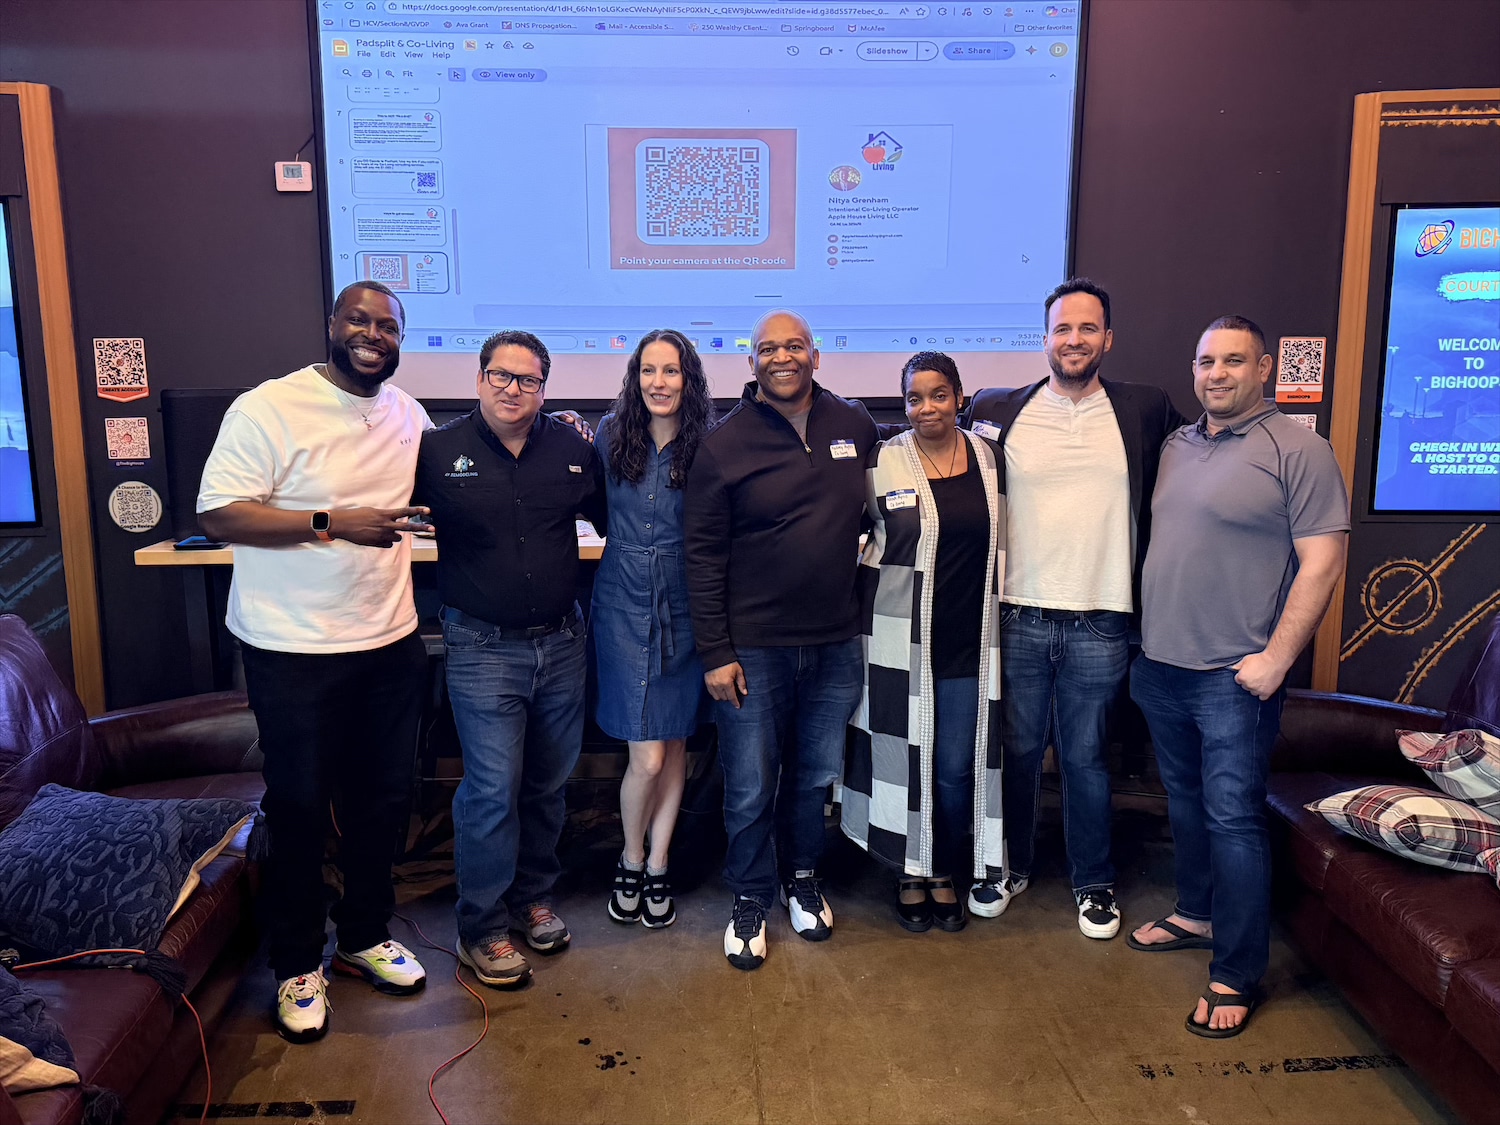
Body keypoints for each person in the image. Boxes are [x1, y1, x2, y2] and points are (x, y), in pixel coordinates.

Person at [197, 280, 431, 1043]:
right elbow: (218, 512)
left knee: (382, 801)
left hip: (389, 642)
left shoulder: (408, 413)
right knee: (298, 806)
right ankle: (298, 962)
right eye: (359, 320)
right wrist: (331, 521)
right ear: (332, 324)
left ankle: (363, 934)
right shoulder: (269, 407)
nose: (373, 334)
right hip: (291, 646)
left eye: (388, 326)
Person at [1128, 315, 1348, 1037]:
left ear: (1264, 369)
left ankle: (1238, 971)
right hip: (1161, 665)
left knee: (1234, 820)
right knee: (1185, 805)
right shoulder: (1177, 445)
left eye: (1232, 361)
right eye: (1205, 362)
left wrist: (1276, 659)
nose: (1216, 374)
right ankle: (1196, 911)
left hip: (1234, 677)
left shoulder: (1300, 448)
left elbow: (1323, 562)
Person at [962, 278, 1187, 939]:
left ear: (1108, 339)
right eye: (1063, 328)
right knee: (1017, 752)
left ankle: (1093, 882)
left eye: (1088, 328)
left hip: (1102, 616)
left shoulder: (1145, 409)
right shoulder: (998, 408)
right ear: (1045, 339)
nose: (1074, 339)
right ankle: (1009, 866)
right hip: (1018, 613)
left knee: (1086, 757)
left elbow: (1205, 452)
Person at [684, 309, 878, 970]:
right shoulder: (722, 443)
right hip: (753, 650)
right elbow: (702, 557)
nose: (782, 357)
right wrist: (716, 653)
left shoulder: (854, 424)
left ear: (815, 356)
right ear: (751, 362)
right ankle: (749, 896)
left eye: (795, 346)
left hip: (834, 643)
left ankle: (801, 878)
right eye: (768, 348)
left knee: (814, 777)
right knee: (749, 784)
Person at [413, 330, 607, 990]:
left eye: (527, 379)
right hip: (482, 647)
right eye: (500, 375)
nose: (512, 389)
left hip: (562, 644)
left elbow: (614, 519)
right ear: (479, 379)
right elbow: (391, 514)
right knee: (493, 790)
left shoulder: (574, 450)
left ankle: (532, 900)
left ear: (544, 389)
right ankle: (481, 927)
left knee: (548, 784)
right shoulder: (437, 451)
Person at [842, 352, 1006, 933]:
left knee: (955, 769)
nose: (926, 408)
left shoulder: (989, 458)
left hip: (968, 643)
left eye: (939, 395)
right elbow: (849, 533)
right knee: (902, 759)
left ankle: (944, 865)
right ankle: (911, 872)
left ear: (960, 397)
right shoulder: (881, 461)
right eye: (914, 398)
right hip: (898, 641)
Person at [592, 329, 715, 929]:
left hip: (687, 605)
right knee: (646, 755)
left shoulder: (709, 443)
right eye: (648, 370)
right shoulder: (610, 434)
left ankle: (659, 861)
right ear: (634, 377)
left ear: (688, 378)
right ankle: (631, 855)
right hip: (622, 602)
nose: (658, 382)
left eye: (670, 371)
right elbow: (594, 510)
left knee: (674, 746)